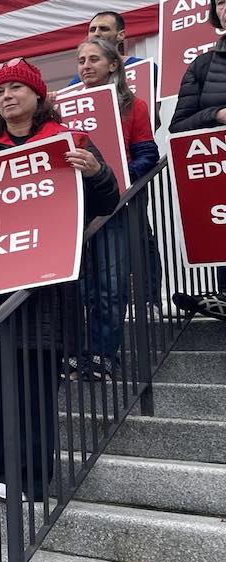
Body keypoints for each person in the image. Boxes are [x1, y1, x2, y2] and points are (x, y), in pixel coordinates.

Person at [0, 58, 119, 502]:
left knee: (34, 395)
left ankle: (28, 479)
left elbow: (109, 199)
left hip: (46, 292)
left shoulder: (70, 141)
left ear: (38, 96)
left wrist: (96, 172)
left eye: (15, 89)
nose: (7, 97)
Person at [67, 38, 160, 381]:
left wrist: (117, 179)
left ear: (114, 65)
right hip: (76, 210)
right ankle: (80, 354)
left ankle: (105, 356)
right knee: (80, 288)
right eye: (80, 60)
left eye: (94, 59)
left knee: (109, 285)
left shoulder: (133, 106)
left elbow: (147, 155)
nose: (85, 65)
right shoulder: (64, 107)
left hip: (115, 208)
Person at [170, 0, 226, 319]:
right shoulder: (202, 65)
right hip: (218, 185)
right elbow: (179, 125)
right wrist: (217, 114)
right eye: (220, 1)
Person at [68, 11, 148, 86]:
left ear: (120, 35)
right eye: (92, 30)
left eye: (104, 29)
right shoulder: (77, 82)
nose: (96, 34)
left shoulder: (144, 69)